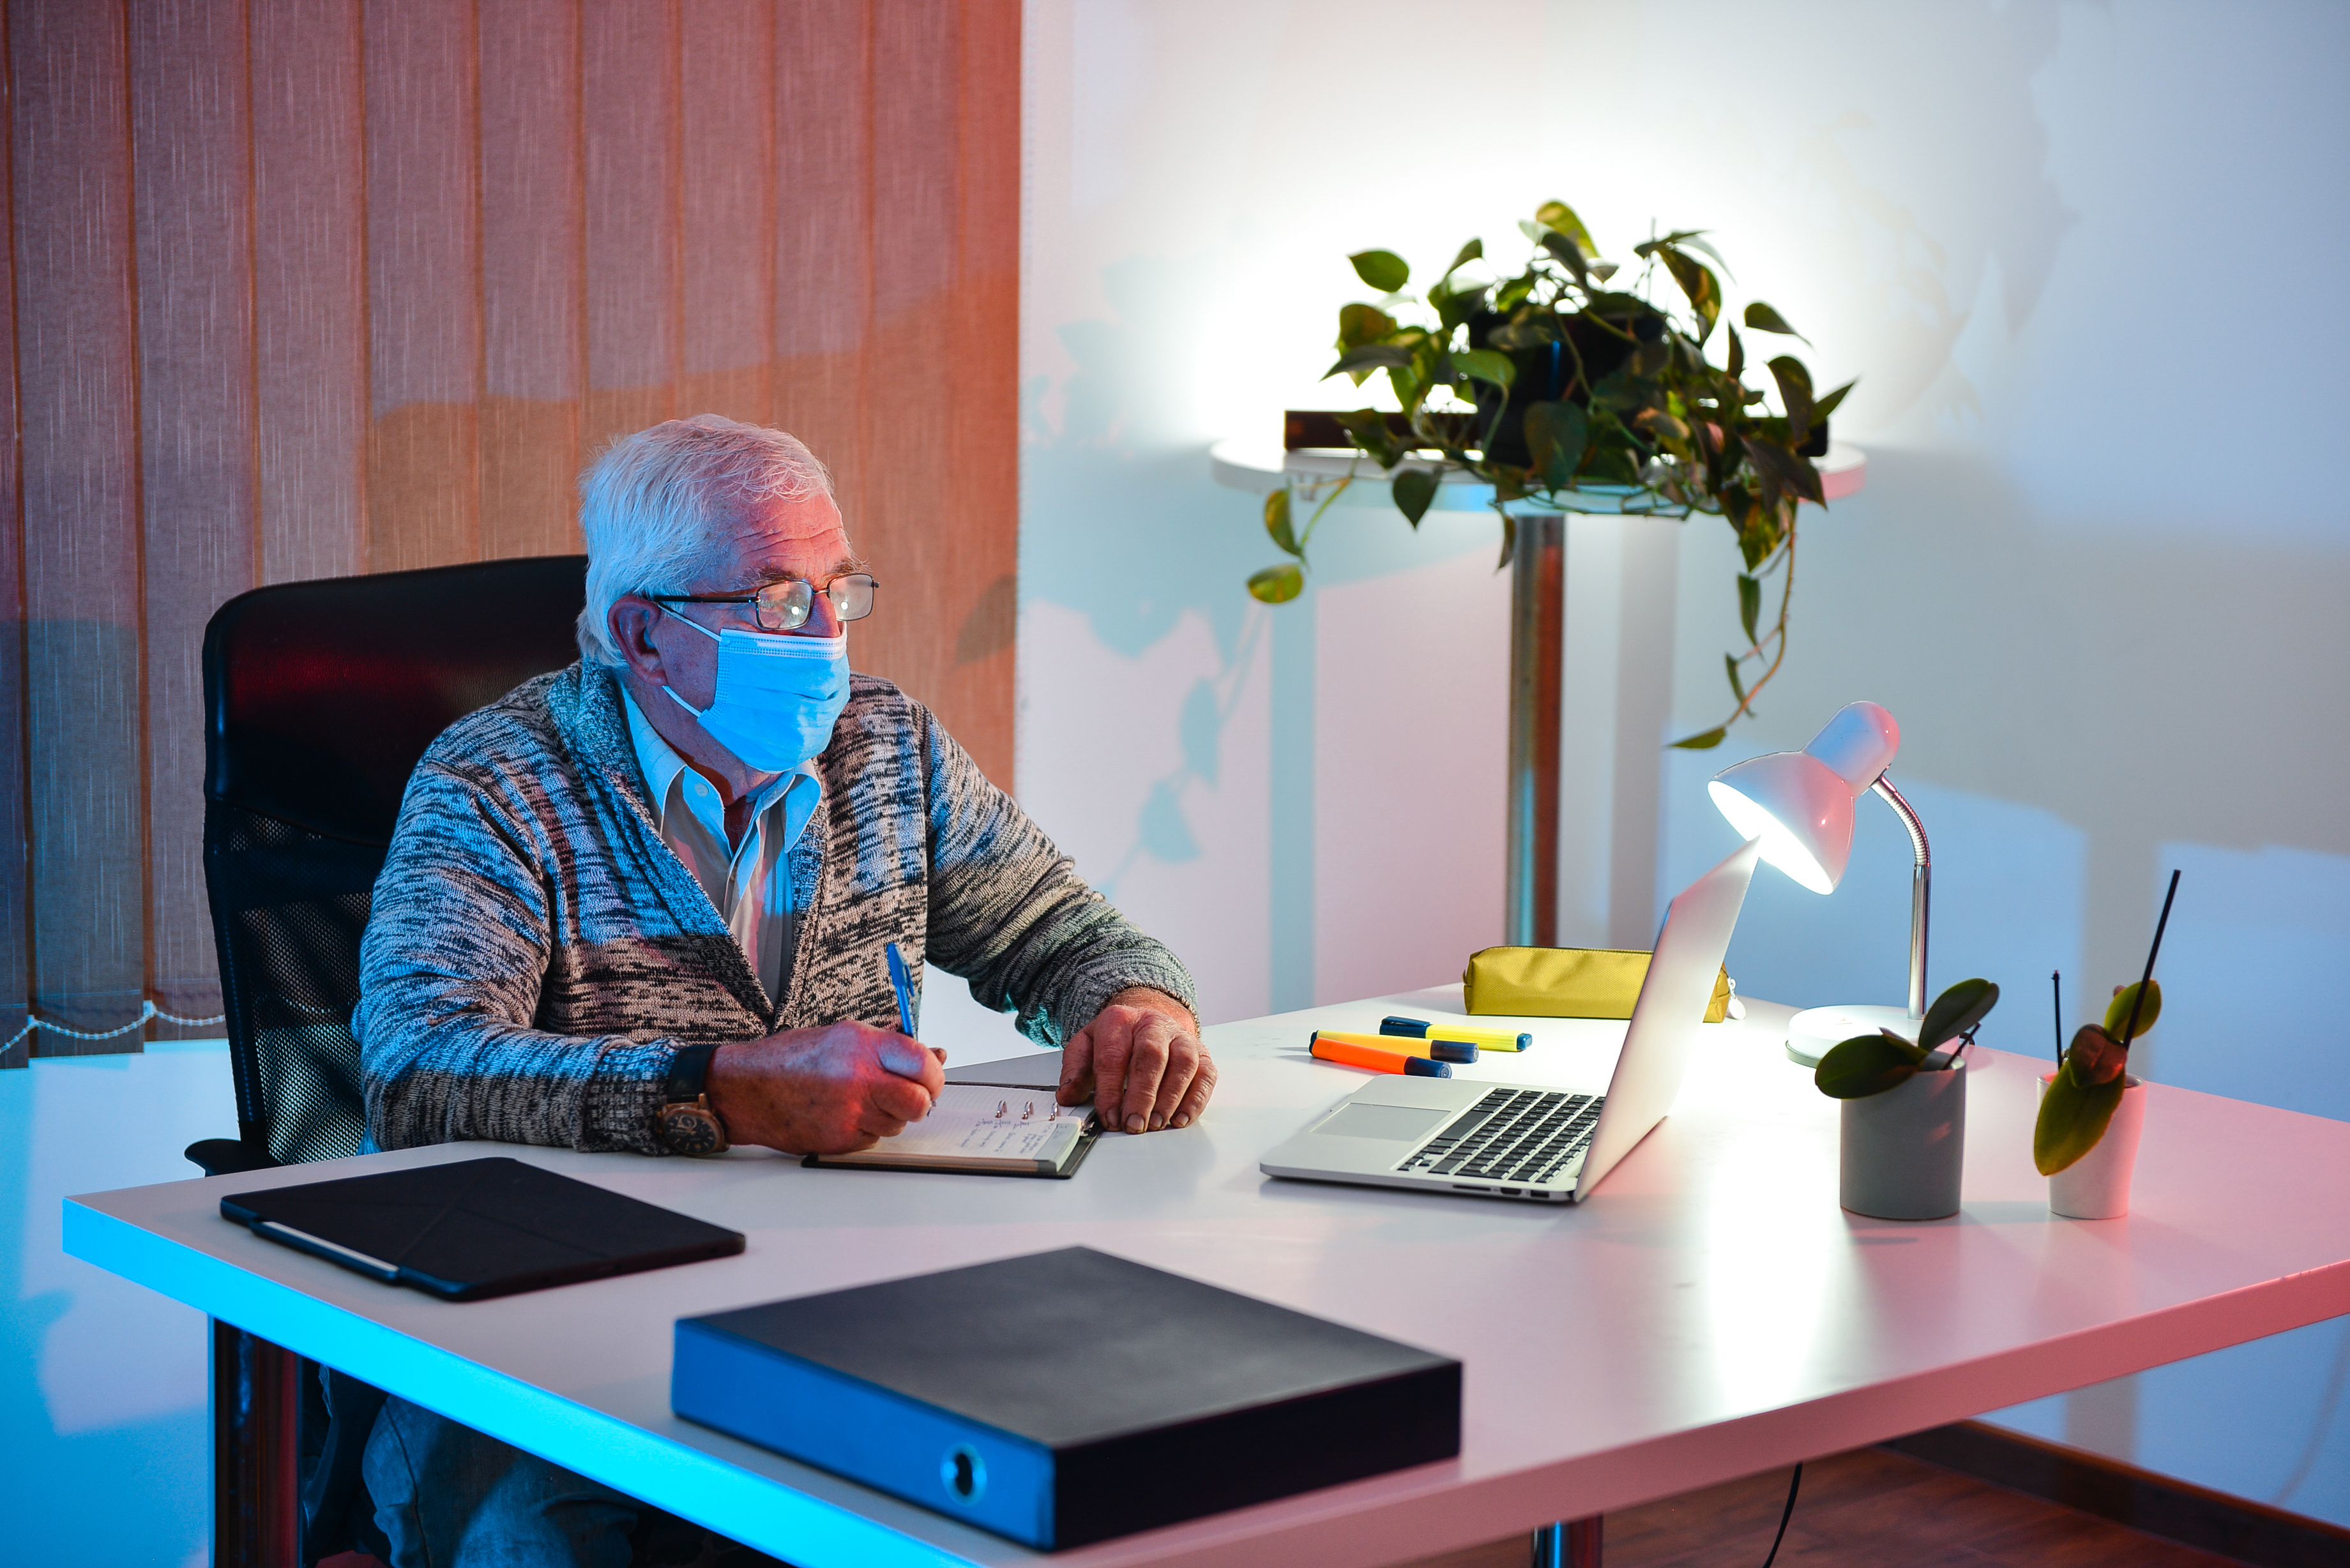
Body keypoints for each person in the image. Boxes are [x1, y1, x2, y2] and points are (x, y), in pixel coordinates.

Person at [347, 414, 1215, 1565]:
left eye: (836, 591)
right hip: (551, 1336)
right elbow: (419, 1065)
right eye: (774, 599)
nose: (824, 639)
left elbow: (1059, 931)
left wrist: (1140, 1004)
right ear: (643, 638)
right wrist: (728, 1092)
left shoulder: (884, 747)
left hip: (840, 1298)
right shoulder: (495, 782)